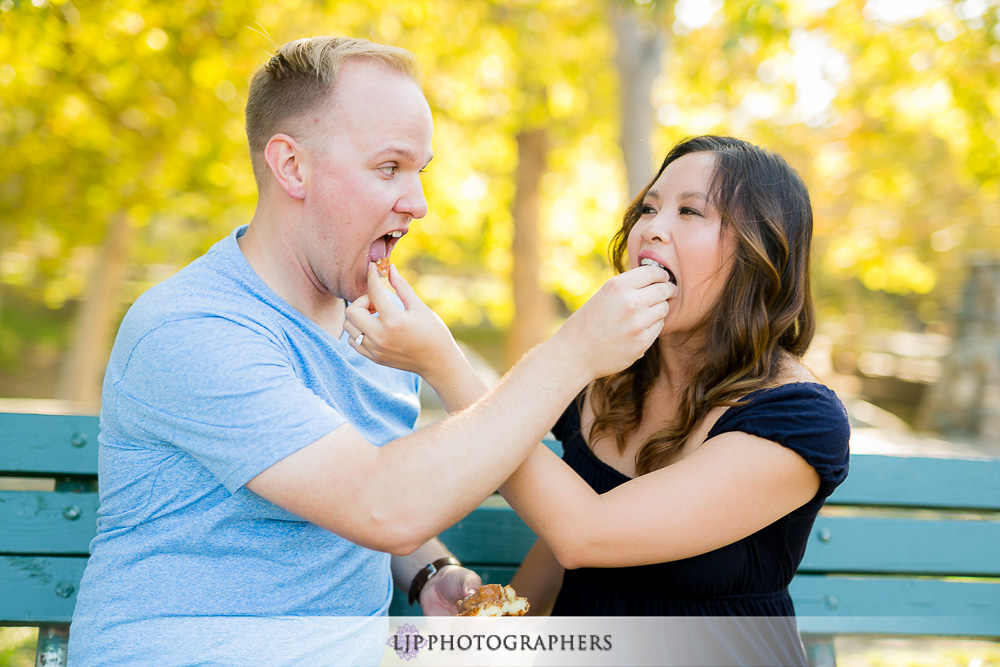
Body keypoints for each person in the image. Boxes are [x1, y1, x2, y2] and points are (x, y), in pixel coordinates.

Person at [66, 36, 674, 665]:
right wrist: (573, 352)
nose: (418, 202)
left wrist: (430, 573)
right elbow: (379, 503)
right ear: (292, 167)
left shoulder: (377, 331)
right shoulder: (192, 328)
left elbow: (341, 497)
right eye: (389, 167)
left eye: (420, 171)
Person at [358, 135, 850, 666]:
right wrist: (496, 632)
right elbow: (559, 542)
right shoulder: (610, 380)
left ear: (760, 255)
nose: (653, 228)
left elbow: (584, 533)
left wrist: (440, 363)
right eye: (649, 207)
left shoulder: (797, 420)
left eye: (690, 211)